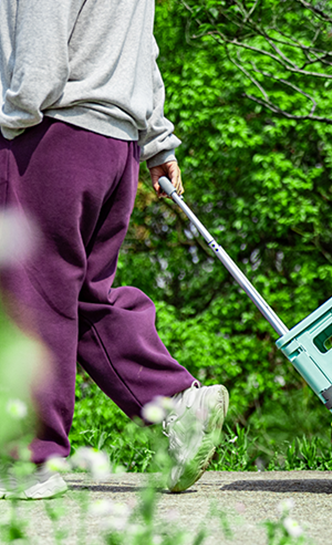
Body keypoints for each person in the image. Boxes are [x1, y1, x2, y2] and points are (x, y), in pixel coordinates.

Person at [0, 0, 228, 499]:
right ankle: (175, 404)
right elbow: (142, 48)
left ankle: (32, 459)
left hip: (50, 133)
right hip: (115, 144)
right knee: (84, 296)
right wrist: (157, 142)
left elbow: (40, 44)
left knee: (31, 294)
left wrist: (12, 117)